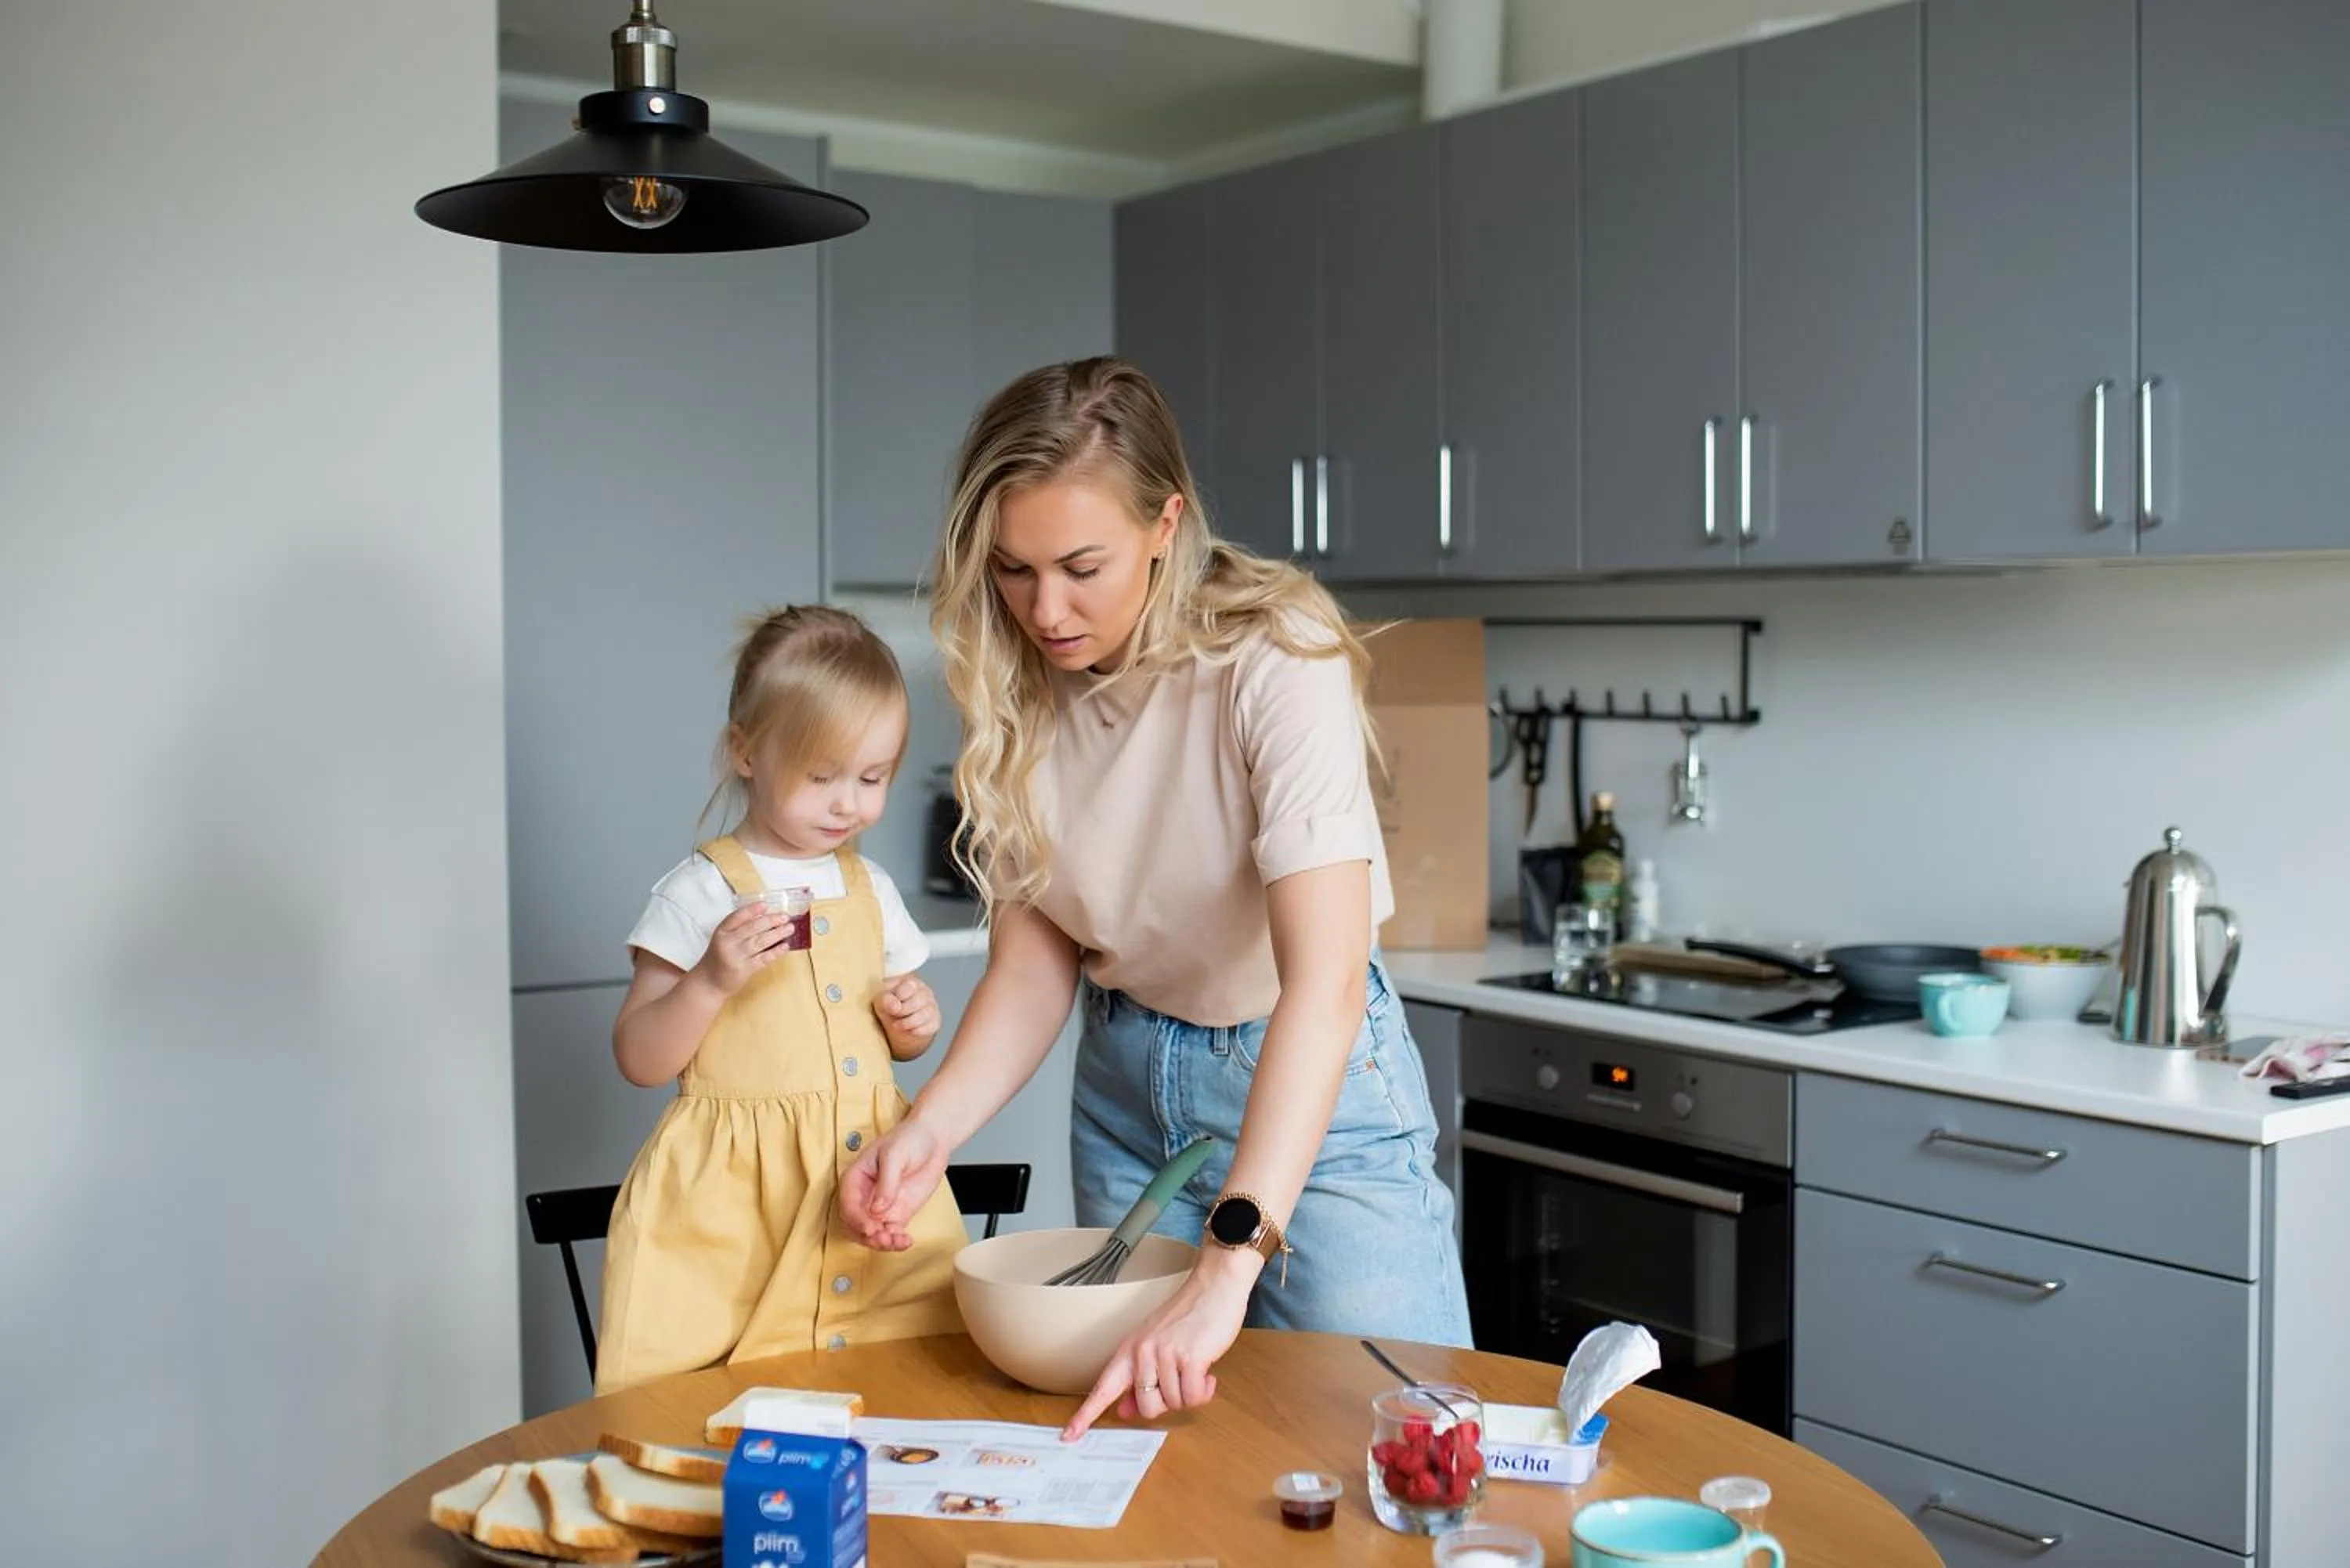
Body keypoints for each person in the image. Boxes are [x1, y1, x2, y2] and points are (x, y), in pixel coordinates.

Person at [841, 357, 1470, 1437]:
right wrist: (927, 1129)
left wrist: (1228, 1269)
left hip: (1311, 1090)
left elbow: (1323, 985)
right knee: (1173, 1462)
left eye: (1082, 565)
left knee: (1400, 1443)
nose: (1046, 608)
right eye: (1013, 570)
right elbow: (1037, 965)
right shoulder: (1010, 672)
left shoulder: (1277, 654)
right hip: (1129, 1093)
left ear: (1165, 523)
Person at [594, 605, 964, 1393]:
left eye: (872, 779)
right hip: (733, 1219)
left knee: (902, 1391)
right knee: (707, 1407)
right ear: (746, 752)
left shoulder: (870, 887)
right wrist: (710, 981)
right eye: (821, 776)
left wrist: (912, 1024)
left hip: (865, 1184)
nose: (848, 805)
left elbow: (887, 1040)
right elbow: (639, 1055)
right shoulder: (700, 892)